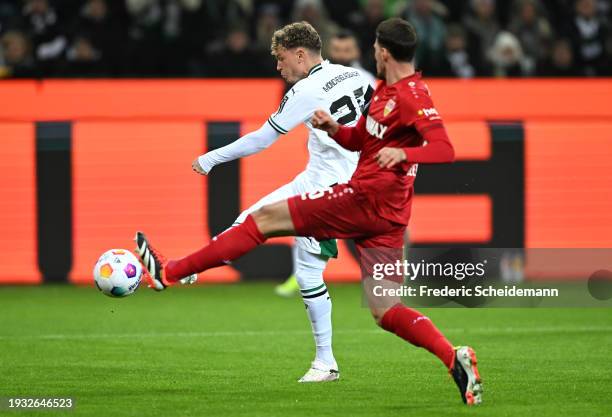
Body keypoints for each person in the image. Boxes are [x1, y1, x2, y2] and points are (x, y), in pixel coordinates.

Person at [135, 18, 483, 405]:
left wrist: (403, 153)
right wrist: (335, 129)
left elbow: (444, 149)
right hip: (390, 210)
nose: (279, 67)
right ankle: (454, 359)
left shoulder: (403, 93)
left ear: (383, 52)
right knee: (385, 309)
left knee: (261, 220)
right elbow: (362, 140)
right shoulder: (369, 84)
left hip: (357, 196)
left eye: (373, 48)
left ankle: (170, 273)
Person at [148, 21, 373, 383]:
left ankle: (178, 271)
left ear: (301, 55)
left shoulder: (307, 89)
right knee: (301, 267)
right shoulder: (355, 76)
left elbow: (261, 140)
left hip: (327, 192)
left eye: (282, 59)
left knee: (254, 224)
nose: (279, 68)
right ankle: (325, 363)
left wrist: (210, 159)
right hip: (339, 183)